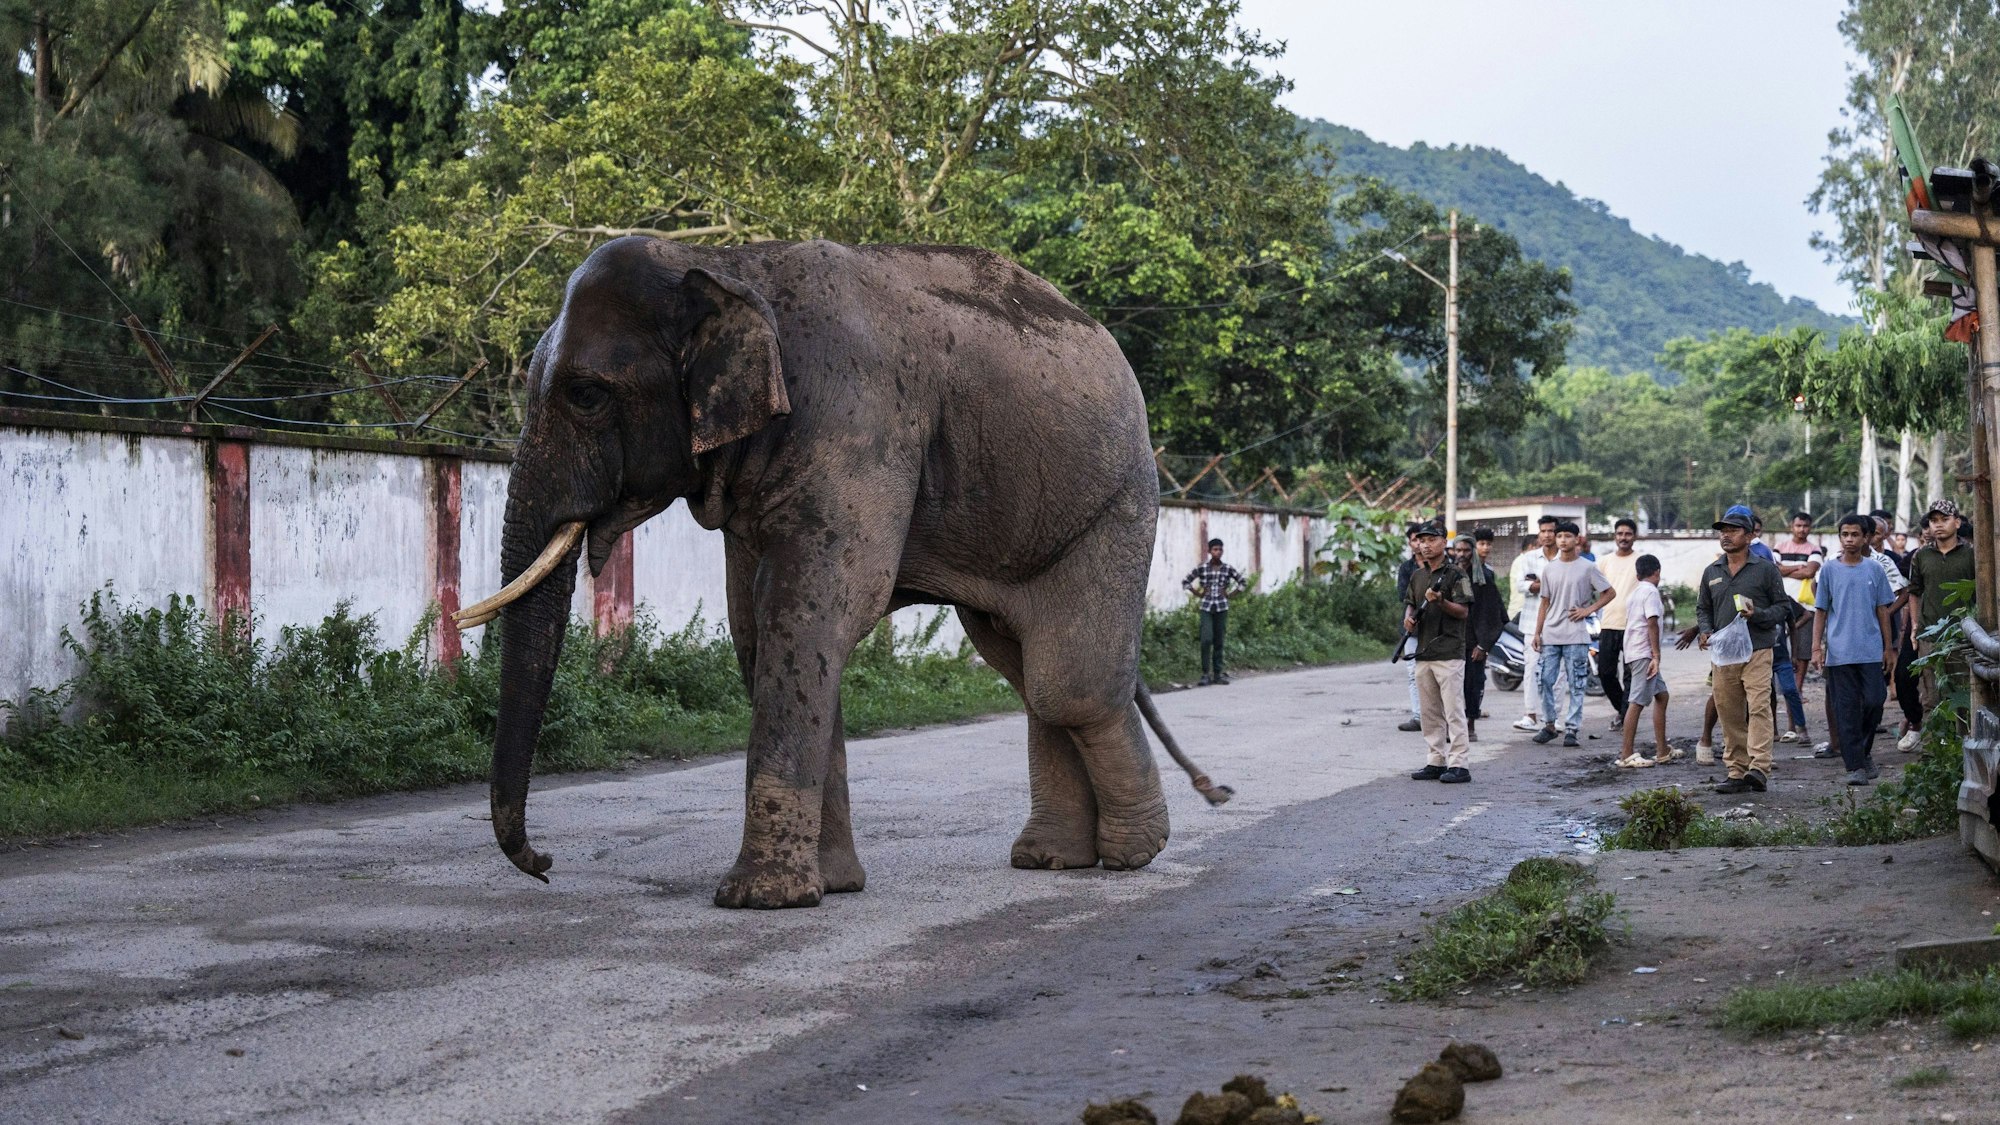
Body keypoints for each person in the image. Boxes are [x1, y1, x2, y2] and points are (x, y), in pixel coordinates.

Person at [1697, 504, 1791, 794]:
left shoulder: (1764, 570)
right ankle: (1736, 771)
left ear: (1749, 536)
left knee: (1759, 706)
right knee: (1729, 710)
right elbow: (1703, 608)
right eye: (1723, 531)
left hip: (1759, 648)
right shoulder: (1712, 571)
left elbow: (1783, 608)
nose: (1726, 535)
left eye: (1733, 530)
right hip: (1723, 652)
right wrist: (1704, 630)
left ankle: (1759, 768)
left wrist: (1758, 615)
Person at [1813, 514, 1897, 786]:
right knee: (1846, 709)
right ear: (1840, 537)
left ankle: (1863, 751)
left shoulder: (1874, 569)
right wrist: (1817, 647)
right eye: (1844, 535)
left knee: (1874, 701)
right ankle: (1855, 767)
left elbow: (1882, 609)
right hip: (1839, 653)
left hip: (1871, 650)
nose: (1849, 540)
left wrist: (1888, 648)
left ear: (1865, 538)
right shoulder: (1828, 570)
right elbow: (1821, 611)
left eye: (1854, 535)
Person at [1530, 521, 1615, 748]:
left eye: (1568, 536)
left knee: (1577, 683)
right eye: (1560, 536)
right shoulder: (1549, 568)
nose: (1563, 540)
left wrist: (1588, 610)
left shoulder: (1587, 567)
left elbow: (1609, 592)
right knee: (1545, 681)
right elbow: (1544, 603)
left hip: (1576, 635)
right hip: (1551, 634)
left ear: (1577, 539)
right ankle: (1549, 724)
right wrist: (1537, 632)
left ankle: (1572, 729)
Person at [1404, 522, 1475, 784]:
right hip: (1423, 651)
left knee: (1454, 710)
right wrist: (1408, 620)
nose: (1425, 545)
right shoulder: (1417, 575)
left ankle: (1459, 764)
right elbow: (1410, 605)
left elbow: (1464, 611)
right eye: (1421, 540)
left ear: (1443, 542)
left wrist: (1441, 601)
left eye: (1431, 540)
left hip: (1449, 651)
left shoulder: (1457, 574)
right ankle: (1435, 760)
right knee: (1429, 711)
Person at [1908, 498, 1977, 710]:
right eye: (1933, 520)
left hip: (1963, 634)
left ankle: (1963, 742)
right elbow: (1914, 592)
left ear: (1957, 522)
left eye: (1944, 519)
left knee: (1964, 694)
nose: (1938, 524)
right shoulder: (1921, 555)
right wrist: (1914, 627)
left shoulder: (1973, 554)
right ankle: (1934, 743)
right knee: (1931, 697)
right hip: (1930, 634)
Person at [1616, 554, 1678, 768]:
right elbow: (1651, 622)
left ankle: (1662, 750)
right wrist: (1656, 655)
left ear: (1637, 573)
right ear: (1657, 572)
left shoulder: (1635, 593)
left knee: (1662, 695)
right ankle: (1626, 754)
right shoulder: (1650, 592)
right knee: (1637, 701)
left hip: (1636, 651)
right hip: (1644, 654)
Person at [1451, 532, 1505, 744]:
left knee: (1473, 684)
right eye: (1458, 550)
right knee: (1450, 686)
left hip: (1474, 641)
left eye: (1466, 550)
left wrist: (1483, 644)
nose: (1462, 554)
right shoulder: (1449, 575)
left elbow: (1493, 614)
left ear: (1472, 552)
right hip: (1452, 640)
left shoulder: (1484, 578)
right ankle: (1453, 726)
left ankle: (1470, 724)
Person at [1509, 516, 1561, 733]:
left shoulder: (1565, 558)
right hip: (1531, 622)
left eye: (1551, 531)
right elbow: (1521, 584)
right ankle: (1530, 714)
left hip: (1559, 622)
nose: (1547, 535)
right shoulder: (1528, 558)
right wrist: (1538, 586)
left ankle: (1556, 718)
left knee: (1558, 673)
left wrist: (1543, 585)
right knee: (1531, 669)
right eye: (1543, 531)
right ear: (1538, 533)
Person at [1596, 518, 1642, 730]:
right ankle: (1623, 711)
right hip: (1608, 624)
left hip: (1633, 627)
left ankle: (1624, 717)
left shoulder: (1641, 561)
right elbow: (1594, 589)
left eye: (1628, 534)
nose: (1624, 538)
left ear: (1635, 536)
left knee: (1630, 675)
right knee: (1605, 673)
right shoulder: (1604, 562)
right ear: (1615, 536)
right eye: (1620, 534)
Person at [1182, 538, 1246, 686]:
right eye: (1215, 549)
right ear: (1209, 551)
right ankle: (1205, 674)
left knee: (1219, 640)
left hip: (1222, 607)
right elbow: (1186, 581)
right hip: (1206, 607)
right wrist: (1198, 593)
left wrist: (1230, 594)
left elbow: (1242, 582)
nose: (1218, 552)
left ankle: (1217, 674)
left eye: (1220, 549)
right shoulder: (1202, 568)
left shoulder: (1227, 568)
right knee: (1206, 639)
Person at [1394, 524, 1425, 730]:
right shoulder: (1407, 568)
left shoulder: (1445, 565)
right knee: (1414, 673)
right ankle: (1418, 716)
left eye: (1422, 540)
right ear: (1410, 543)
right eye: (1415, 540)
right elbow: (1404, 597)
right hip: (1413, 627)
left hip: (1438, 628)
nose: (1419, 544)